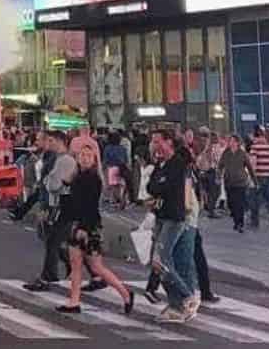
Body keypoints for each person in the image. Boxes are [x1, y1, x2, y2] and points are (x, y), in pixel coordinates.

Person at [57, 143, 133, 315]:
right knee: (77, 266)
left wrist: (83, 228)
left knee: (96, 267)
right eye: (82, 155)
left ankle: (125, 293)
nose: (84, 158)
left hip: (88, 226)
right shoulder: (78, 176)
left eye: (88, 156)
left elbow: (90, 206)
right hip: (79, 224)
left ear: (94, 160)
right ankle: (74, 301)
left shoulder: (92, 179)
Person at [147, 129, 198, 323]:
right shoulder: (161, 164)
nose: (155, 145)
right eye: (153, 142)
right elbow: (151, 187)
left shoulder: (178, 164)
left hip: (174, 218)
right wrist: (159, 186)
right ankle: (176, 303)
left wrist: (159, 187)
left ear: (169, 142)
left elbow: (164, 187)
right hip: (161, 216)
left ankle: (187, 297)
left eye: (158, 141)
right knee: (160, 262)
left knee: (162, 261)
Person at [23, 130, 77, 292]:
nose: (49, 143)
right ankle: (61, 272)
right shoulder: (59, 159)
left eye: (52, 140)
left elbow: (52, 185)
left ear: (60, 141)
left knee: (54, 241)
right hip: (57, 205)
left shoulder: (64, 160)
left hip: (62, 206)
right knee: (57, 241)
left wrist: (47, 180)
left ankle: (49, 277)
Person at [218, 134, 254, 232]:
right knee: (231, 203)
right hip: (229, 182)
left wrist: (255, 181)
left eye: (234, 141)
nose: (232, 143)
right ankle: (236, 220)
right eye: (230, 141)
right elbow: (220, 165)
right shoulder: (226, 153)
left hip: (241, 182)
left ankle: (240, 223)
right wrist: (218, 176)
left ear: (238, 143)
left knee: (240, 203)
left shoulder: (242, 153)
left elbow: (249, 167)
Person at [249, 127, 269, 232]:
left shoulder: (255, 147)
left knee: (254, 200)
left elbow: (253, 164)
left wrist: (252, 178)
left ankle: (255, 221)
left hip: (259, 176)